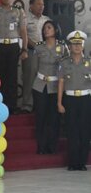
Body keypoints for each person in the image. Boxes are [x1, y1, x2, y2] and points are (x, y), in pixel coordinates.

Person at [57, 30, 91, 171]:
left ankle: (82, 162)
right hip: (70, 99)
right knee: (72, 131)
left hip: (85, 99)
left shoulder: (89, 62)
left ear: (83, 46)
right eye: (74, 44)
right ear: (69, 46)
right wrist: (59, 103)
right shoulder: (64, 63)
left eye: (79, 44)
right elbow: (61, 82)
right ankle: (72, 162)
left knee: (84, 131)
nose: (77, 46)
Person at [33, 20, 67, 154]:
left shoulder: (63, 47)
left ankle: (52, 147)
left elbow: (65, 69)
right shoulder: (38, 47)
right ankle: (41, 147)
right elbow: (34, 67)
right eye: (44, 28)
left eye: (49, 27)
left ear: (56, 30)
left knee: (54, 118)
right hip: (40, 85)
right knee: (41, 117)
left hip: (55, 87)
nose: (46, 30)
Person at [23, 0, 50, 113]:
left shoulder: (47, 20)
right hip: (31, 52)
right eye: (38, 4)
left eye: (43, 4)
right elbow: (23, 35)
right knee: (30, 79)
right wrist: (35, 46)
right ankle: (27, 106)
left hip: (45, 54)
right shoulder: (25, 19)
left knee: (43, 80)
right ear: (31, 6)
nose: (41, 7)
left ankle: (40, 106)